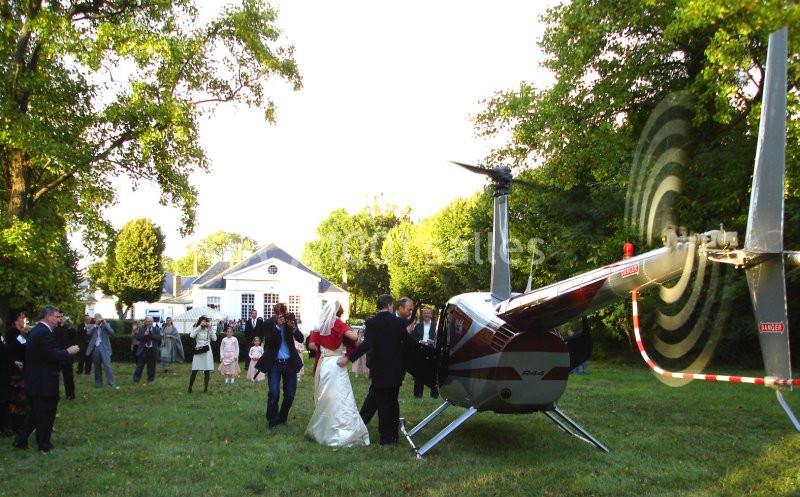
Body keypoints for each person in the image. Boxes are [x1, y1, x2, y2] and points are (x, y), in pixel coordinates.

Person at [337, 294, 413, 445]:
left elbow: (366, 345)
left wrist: (348, 358)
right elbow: (408, 343)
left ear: (378, 306)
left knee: (383, 402)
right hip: (396, 368)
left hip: (379, 368)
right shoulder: (399, 322)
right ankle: (393, 435)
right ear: (390, 305)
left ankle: (385, 437)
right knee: (392, 401)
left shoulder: (372, 322)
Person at [13, 306, 80, 452]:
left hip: (37, 380)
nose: (59, 319)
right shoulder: (43, 332)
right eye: (56, 316)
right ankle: (44, 445)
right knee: (45, 413)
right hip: (43, 381)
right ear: (47, 317)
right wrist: (68, 352)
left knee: (35, 413)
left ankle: (20, 440)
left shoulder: (39, 331)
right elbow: (51, 354)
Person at [305, 300, 369, 447]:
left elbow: (311, 344)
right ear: (339, 311)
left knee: (325, 394)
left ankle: (322, 428)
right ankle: (342, 428)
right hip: (336, 362)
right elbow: (353, 337)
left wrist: (323, 349)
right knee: (341, 394)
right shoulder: (338, 323)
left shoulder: (320, 324)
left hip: (324, 362)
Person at [255, 303, 304, 429]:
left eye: (283, 312)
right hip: (275, 364)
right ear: (275, 313)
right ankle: (272, 420)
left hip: (289, 363)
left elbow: (300, 338)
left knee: (290, 395)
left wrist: (293, 327)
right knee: (274, 393)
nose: (281, 315)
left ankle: (281, 418)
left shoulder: (290, 321)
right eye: (278, 313)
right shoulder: (268, 323)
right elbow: (269, 342)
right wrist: (277, 326)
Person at [6, 311, 29, 434]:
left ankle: (21, 423)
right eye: (21, 318)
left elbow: (25, 346)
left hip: (23, 368)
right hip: (15, 370)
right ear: (15, 320)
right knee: (17, 397)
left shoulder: (21, 333)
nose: (23, 320)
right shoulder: (12, 333)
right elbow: (11, 349)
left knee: (22, 397)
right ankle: (15, 424)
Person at [411, 307, 439, 398]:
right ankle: (418, 394)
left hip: (432, 351)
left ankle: (434, 395)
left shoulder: (436, 326)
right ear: (423, 315)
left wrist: (433, 342)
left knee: (433, 373)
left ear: (431, 315)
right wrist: (420, 342)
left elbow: (439, 339)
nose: (426, 315)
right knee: (419, 373)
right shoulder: (418, 326)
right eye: (425, 313)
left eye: (428, 313)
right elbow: (413, 339)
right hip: (421, 351)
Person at [86, 314, 117, 389]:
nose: (98, 320)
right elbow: (88, 333)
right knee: (97, 366)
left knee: (107, 365)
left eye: (99, 318)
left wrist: (105, 323)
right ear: (94, 319)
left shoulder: (106, 325)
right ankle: (99, 385)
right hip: (95, 347)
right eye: (97, 318)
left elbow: (112, 333)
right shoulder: (91, 326)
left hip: (104, 348)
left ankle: (112, 384)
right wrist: (95, 325)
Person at [188, 316, 216, 394]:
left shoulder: (208, 329)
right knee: (195, 369)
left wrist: (210, 329)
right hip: (199, 351)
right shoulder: (196, 328)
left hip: (207, 351)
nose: (204, 323)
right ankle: (190, 387)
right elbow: (191, 336)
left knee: (207, 370)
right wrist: (199, 326)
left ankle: (205, 389)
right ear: (200, 322)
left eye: (205, 322)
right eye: (202, 321)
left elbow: (214, 338)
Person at [54, 316, 76, 400]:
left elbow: (74, 340)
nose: (60, 319)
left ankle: (70, 394)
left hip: (67, 355)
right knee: (55, 376)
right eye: (59, 317)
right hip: (58, 354)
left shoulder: (70, 330)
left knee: (68, 376)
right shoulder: (55, 329)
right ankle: (55, 394)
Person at [133, 317, 162, 383]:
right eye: (148, 321)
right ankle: (136, 379)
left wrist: (151, 335)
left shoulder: (156, 329)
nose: (149, 323)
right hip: (143, 349)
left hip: (152, 350)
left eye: (151, 321)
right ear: (145, 322)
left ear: (153, 322)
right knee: (140, 365)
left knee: (151, 366)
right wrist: (145, 335)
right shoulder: (141, 329)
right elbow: (138, 338)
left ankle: (150, 379)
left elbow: (159, 339)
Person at [285, 313, 305, 382]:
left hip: (297, 352)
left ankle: (298, 376)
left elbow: (301, 340)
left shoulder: (295, 329)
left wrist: (294, 328)